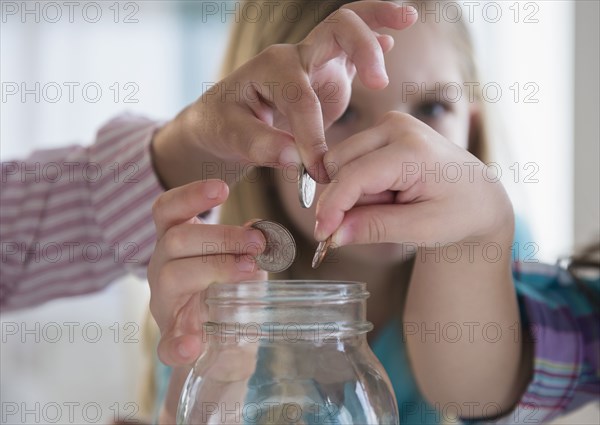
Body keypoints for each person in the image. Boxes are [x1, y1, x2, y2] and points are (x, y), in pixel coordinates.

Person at [145, 1, 598, 424]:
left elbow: (476, 390)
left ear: (471, 135)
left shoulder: (500, 249)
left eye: (432, 108)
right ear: (255, 140)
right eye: (339, 112)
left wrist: (479, 234)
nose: (397, 146)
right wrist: (215, 371)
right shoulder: (222, 288)